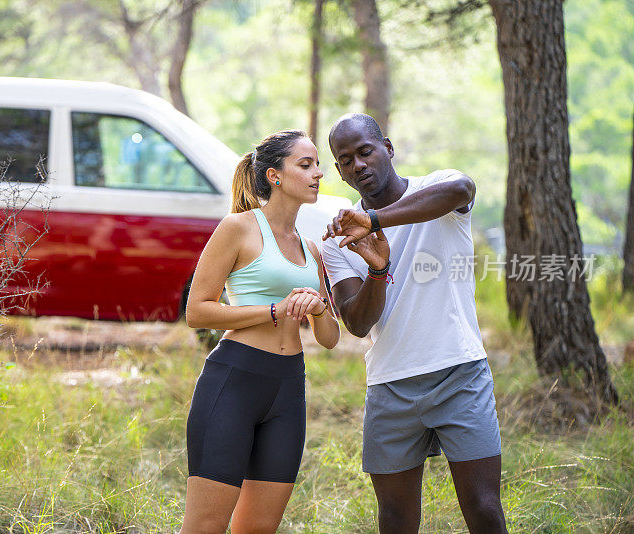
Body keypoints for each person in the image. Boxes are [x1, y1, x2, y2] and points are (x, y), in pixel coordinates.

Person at [321, 113, 508, 534]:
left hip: (459, 374)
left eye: (365, 151)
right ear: (339, 170)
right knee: (395, 519)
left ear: (387, 147)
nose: (359, 165)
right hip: (390, 385)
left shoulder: (436, 187)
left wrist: (376, 221)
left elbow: (463, 189)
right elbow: (356, 321)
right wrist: (377, 269)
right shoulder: (340, 237)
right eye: (346, 160)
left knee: (483, 509)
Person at [180, 130, 340, 534]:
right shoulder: (238, 228)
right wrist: (274, 310)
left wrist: (319, 307)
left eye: (317, 164)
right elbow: (197, 312)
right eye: (305, 165)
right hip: (234, 380)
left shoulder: (312, 248)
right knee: (205, 526)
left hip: (288, 389)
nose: (318, 173)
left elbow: (329, 338)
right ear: (274, 175)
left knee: (258, 530)